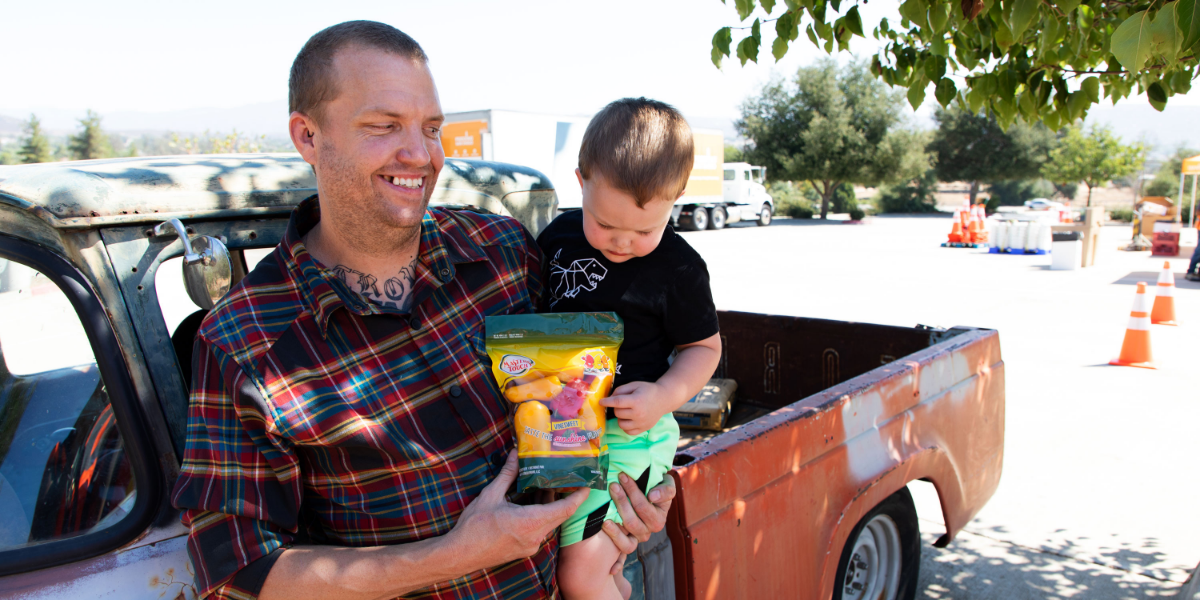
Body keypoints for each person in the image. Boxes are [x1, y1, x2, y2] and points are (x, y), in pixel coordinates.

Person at [170, 22, 674, 600]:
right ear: (308, 136)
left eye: (431, 128)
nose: (421, 154)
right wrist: (452, 556)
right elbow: (238, 574)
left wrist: (635, 493)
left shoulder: (503, 253)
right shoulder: (245, 342)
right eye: (384, 127)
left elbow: (600, 387)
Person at [536, 99, 722, 600]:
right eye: (604, 223)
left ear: (677, 198)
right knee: (593, 567)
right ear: (581, 181)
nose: (621, 242)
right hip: (560, 426)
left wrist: (663, 396)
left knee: (581, 573)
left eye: (644, 231)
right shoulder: (557, 239)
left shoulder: (679, 269)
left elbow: (704, 348)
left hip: (628, 435)